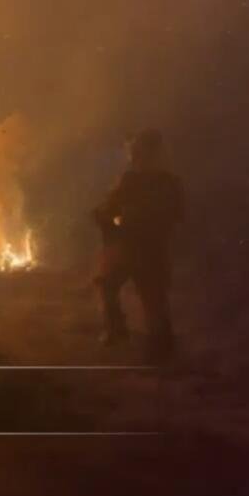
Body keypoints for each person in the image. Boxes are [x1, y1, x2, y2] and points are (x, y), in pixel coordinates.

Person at [92, 128, 185, 364]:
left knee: (142, 296)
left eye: (137, 151)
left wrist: (115, 219)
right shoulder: (169, 182)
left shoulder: (137, 181)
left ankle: (130, 336)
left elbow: (109, 210)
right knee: (150, 299)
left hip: (136, 250)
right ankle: (156, 347)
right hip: (148, 251)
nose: (133, 155)